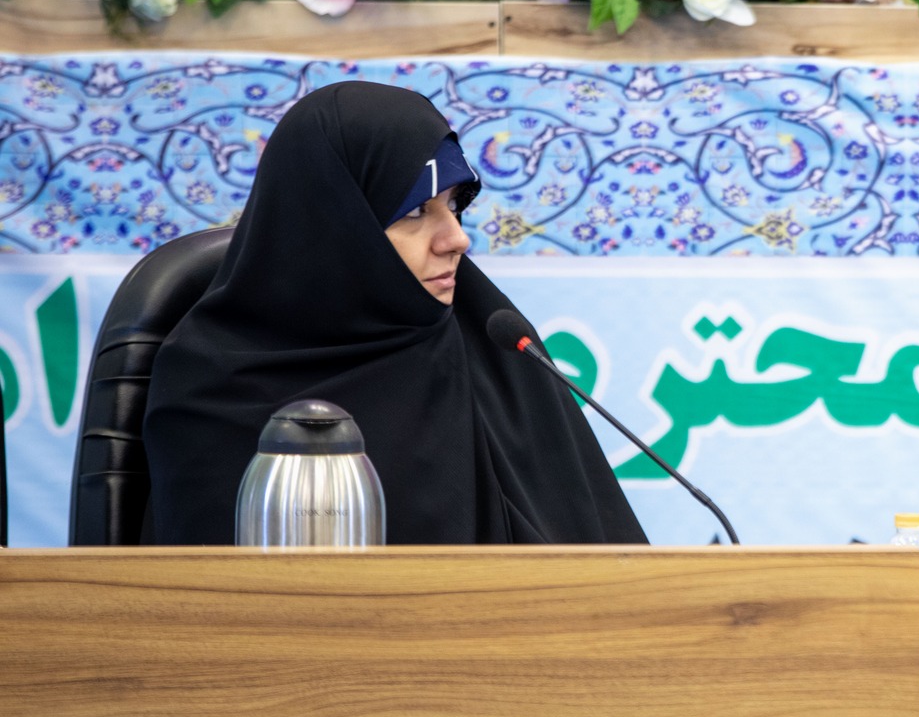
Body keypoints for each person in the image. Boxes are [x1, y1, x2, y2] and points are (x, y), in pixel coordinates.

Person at [145, 81, 649, 544]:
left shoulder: (495, 354)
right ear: (334, 225)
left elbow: (597, 569)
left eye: (455, 205)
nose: (456, 238)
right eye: (414, 212)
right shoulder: (208, 390)